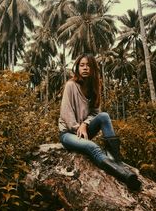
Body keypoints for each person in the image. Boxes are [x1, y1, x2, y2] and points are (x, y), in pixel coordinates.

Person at [59, 53, 141, 191]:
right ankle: (125, 176)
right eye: (82, 65)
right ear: (77, 67)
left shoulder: (94, 87)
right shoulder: (71, 85)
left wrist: (85, 124)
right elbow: (66, 114)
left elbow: (95, 112)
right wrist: (78, 127)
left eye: (88, 65)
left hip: (84, 132)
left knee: (104, 116)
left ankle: (117, 161)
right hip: (68, 134)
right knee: (93, 147)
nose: (85, 68)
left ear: (93, 69)